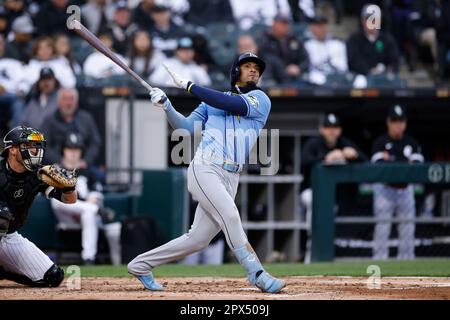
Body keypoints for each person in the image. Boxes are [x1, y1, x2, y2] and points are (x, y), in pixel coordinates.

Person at [127, 52, 285, 293]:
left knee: (198, 240)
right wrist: (167, 106)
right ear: (235, 72)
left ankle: (140, 265)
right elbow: (186, 128)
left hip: (232, 176)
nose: (254, 70)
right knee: (231, 216)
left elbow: (232, 103)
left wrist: (190, 86)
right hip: (205, 168)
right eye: (247, 66)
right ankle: (256, 273)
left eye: (256, 68)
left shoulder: (260, 99)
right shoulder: (211, 102)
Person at [0, 126, 75, 287]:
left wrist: (69, 188)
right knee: (2, 215)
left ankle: (4, 272)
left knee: (53, 277)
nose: (34, 150)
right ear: (12, 149)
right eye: (28, 146)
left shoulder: (37, 174)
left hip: (9, 235)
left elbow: (70, 201)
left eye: (36, 146)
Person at [300, 113, 366, 262]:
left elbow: (365, 160)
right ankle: (312, 244)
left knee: (328, 222)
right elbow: (304, 163)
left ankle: (322, 252)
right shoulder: (314, 143)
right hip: (310, 191)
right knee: (314, 201)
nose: (331, 131)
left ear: (339, 130)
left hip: (334, 197)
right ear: (322, 129)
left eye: (335, 127)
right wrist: (327, 158)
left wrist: (354, 155)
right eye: (328, 127)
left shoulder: (344, 143)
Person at [50, 133, 121, 265]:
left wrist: (89, 204)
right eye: (70, 149)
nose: (73, 153)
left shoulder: (88, 171)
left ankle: (88, 258)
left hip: (84, 213)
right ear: (63, 151)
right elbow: (55, 194)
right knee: (56, 201)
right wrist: (91, 206)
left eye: (76, 149)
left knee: (88, 214)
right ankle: (97, 210)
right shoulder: (56, 170)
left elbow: (96, 194)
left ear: (81, 152)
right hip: (65, 212)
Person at [371, 105, 424, 260]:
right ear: (388, 122)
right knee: (382, 226)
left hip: (405, 189)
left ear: (405, 122)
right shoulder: (380, 142)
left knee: (407, 227)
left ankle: (406, 262)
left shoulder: (411, 142)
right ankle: (380, 261)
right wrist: (403, 162)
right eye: (395, 121)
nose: (398, 125)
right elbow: (377, 164)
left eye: (401, 121)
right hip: (385, 190)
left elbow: (418, 164)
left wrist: (392, 161)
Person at [42, 88, 102, 168]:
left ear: (76, 102)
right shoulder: (49, 121)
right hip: (56, 168)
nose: (68, 103)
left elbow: (96, 143)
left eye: (71, 99)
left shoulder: (86, 118)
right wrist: (60, 161)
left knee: (100, 177)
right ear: (58, 102)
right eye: (65, 99)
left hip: (84, 167)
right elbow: (44, 146)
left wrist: (86, 161)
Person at [346, 4, 400, 78]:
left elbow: (394, 61)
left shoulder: (387, 40)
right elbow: (353, 60)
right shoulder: (354, 39)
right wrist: (369, 71)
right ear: (362, 20)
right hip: (360, 78)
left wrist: (389, 70)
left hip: (384, 79)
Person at [259, 13, 309, 84]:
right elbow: (265, 59)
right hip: (272, 80)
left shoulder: (294, 40)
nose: (286, 26)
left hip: (294, 79)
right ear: (274, 23)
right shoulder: (265, 39)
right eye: (283, 23)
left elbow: (305, 60)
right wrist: (284, 69)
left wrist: (298, 68)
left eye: (287, 23)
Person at [304, 16, 348, 85]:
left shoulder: (338, 43)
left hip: (337, 76)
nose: (322, 29)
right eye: (319, 26)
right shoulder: (306, 44)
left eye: (324, 25)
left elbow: (343, 67)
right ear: (312, 28)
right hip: (316, 78)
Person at [0, 34, 27, 128]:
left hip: (12, 96)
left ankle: (16, 137)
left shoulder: (14, 63)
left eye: (0, 44)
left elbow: (23, 82)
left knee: (18, 101)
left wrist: (21, 91)